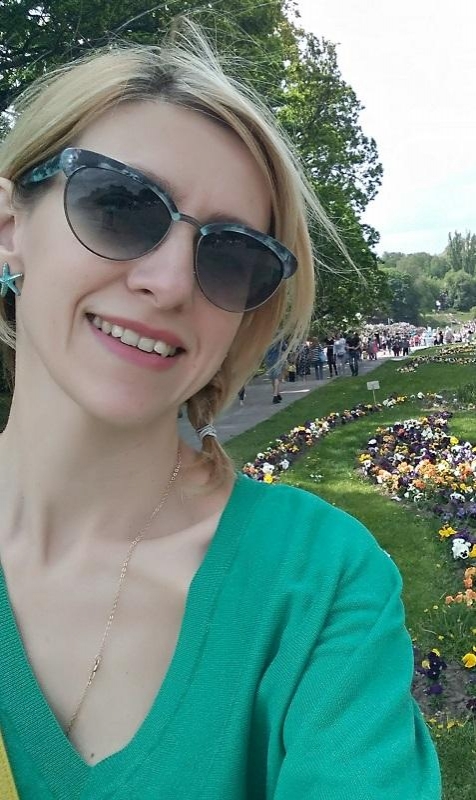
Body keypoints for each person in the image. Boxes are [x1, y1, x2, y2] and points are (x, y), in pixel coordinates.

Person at [0, 21, 440, 800]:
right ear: (11, 231)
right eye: (119, 206)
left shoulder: (314, 583)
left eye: (231, 256)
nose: (170, 283)